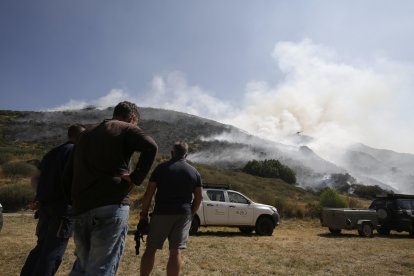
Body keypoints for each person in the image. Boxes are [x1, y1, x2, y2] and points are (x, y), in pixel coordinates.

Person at [64, 101, 157, 276]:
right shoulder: (124, 127)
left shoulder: (85, 134)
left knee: (81, 266)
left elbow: (67, 174)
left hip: (81, 208)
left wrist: (73, 201)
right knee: (101, 268)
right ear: (132, 118)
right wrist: (135, 178)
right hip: (111, 204)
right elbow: (151, 146)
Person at [20, 124, 85, 276]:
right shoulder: (76, 152)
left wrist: (40, 195)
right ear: (80, 136)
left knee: (41, 247)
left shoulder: (51, 153)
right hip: (63, 210)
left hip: (45, 207)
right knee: (53, 251)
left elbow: (34, 177)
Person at [140, 141, 203, 276]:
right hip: (183, 214)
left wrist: (143, 214)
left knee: (150, 249)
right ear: (186, 155)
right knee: (176, 252)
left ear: (172, 153)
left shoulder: (160, 168)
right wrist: (190, 214)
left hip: (162, 213)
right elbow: (199, 197)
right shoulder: (194, 172)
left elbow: (148, 194)